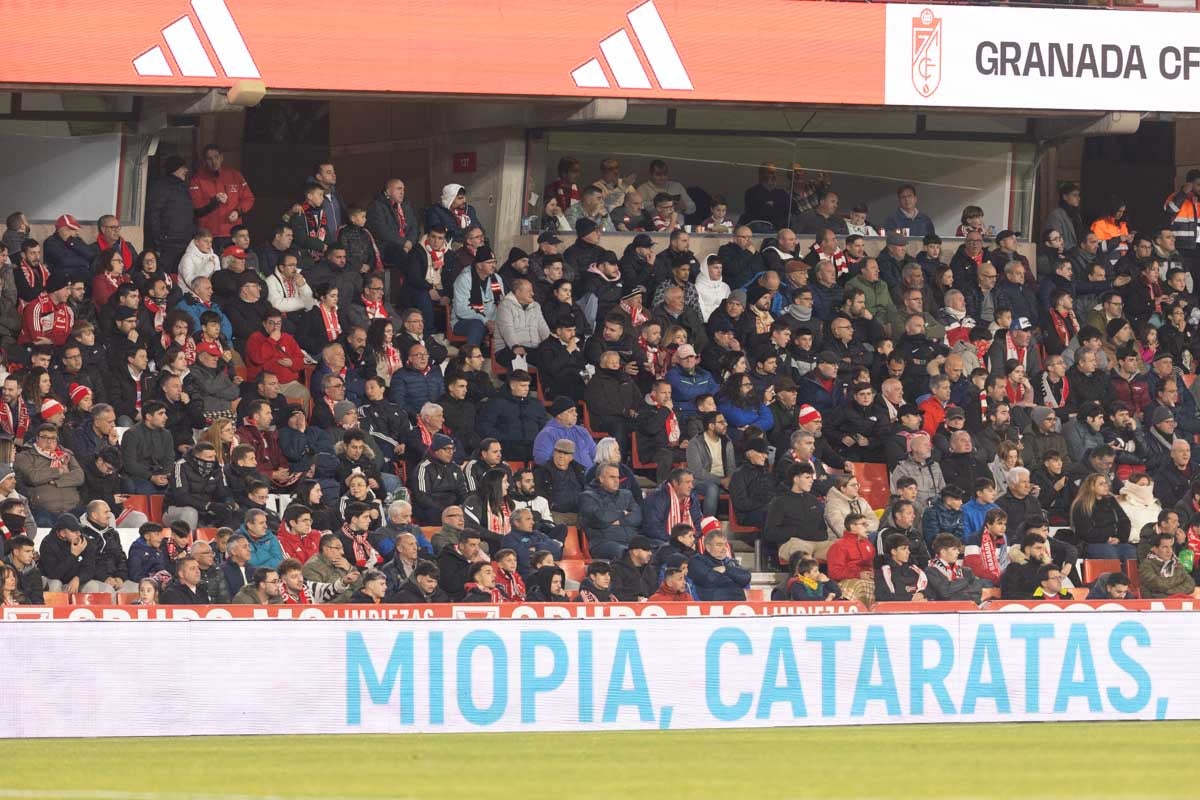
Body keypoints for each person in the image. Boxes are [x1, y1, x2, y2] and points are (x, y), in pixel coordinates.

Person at [578, 463, 642, 560]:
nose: (617, 481)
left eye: (618, 477)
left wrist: (620, 521)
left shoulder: (626, 495)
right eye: (612, 477)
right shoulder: (588, 497)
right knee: (626, 552)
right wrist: (622, 513)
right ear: (601, 479)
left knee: (659, 549)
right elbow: (600, 517)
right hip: (603, 543)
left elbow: (638, 516)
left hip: (631, 541)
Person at [1072, 473, 1136, 560]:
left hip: (1115, 541)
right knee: (1109, 553)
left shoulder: (1111, 501)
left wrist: (1119, 538)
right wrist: (1106, 538)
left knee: (1131, 551)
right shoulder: (1082, 505)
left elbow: (1125, 522)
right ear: (1092, 487)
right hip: (1092, 543)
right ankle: (1111, 574)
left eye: (1106, 483)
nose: (1106, 486)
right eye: (1101, 484)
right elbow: (1084, 532)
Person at [826, 513, 878, 605]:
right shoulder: (839, 546)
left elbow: (874, 565)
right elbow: (834, 572)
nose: (867, 528)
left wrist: (874, 572)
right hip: (846, 583)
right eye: (863, 524)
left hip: (867, 581)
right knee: (859, 585)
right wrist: (858, 575)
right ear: (853, 527)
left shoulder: (868, 545)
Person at [689, 530, 750, 601]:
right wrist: (734, 578)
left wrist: (726, 570)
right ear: (708, 547)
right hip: (713, 606)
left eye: (725, 545)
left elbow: (746, 577)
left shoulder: (730, 562)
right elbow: (709, 579)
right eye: (719, 545)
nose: (724, 548)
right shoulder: (697, 561)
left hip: (738, 607)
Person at [924, 533, 986, 602]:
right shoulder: (931, 571)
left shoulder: (966, 571)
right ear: (943, 552)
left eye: (958, 549)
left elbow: (977, 594)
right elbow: (945, 593)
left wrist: (955, 593)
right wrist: (966, 581)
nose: (958, 552)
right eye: (954, 549)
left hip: (966, 609)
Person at [873, 533, 929, 602]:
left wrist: (922, 594)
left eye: (908, 548)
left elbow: (930, 590)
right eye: (903, 549)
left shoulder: (914, 570)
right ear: (894, 551)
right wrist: (910, 599)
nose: (908, 552)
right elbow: (882, 596)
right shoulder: (883, 572)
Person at [1140, 532, 1197, 598]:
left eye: (1171, 547)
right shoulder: (1146, 565)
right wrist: (1180, 576)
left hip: (1176, 602)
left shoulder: (1176, 562)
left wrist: (1168, 592)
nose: (1169, 551)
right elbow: (1160, 585)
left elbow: (1190, 584)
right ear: (1155, 549)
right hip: (1155, 604)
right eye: (1165, 547)